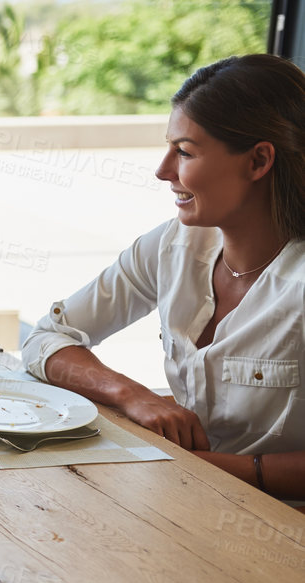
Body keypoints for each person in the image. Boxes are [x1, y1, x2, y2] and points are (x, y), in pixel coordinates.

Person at [22, 54, 305, 498]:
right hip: (182, 496)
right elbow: (47, 339)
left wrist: (227, 471)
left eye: (185, 152)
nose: (162, 170)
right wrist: (134, 395)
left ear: (258, 161)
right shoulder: (174, 245)